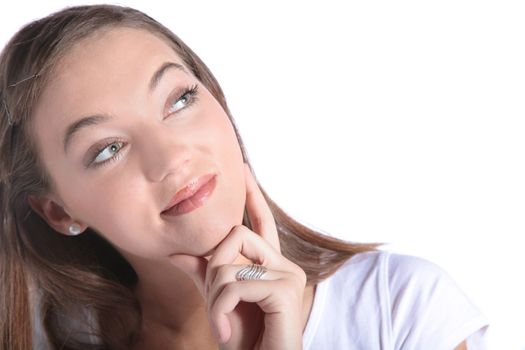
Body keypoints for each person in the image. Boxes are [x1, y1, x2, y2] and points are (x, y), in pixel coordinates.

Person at [0, 4, 489, 350]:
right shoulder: (38, 339)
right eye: (108, 148)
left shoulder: (400, 310)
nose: (172, 158)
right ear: (60, 211)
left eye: (180, 100)